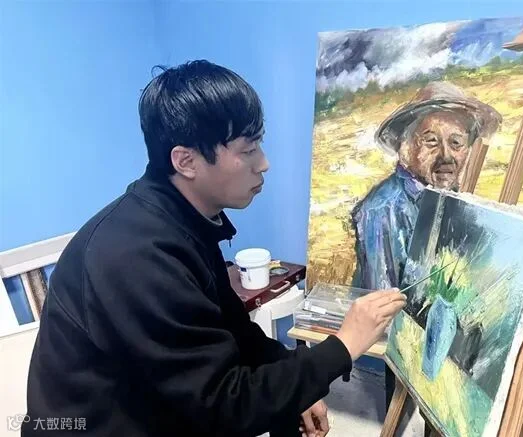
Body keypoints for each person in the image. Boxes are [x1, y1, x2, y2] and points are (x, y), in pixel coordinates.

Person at [22, 60, 406, 437]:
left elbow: (234, 331)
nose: (264, 163)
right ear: (186, 161)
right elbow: (225, 409)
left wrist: (299, 381)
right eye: (248, 149)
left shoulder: (183, 220)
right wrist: (343, 346)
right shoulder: (136, 257)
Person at [350, 81, 502, 292]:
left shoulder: (452, 201)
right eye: (431, 141)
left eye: (456, 143)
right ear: (406, 146)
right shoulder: (382, 209)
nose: (446, 155)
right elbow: (382, 301)